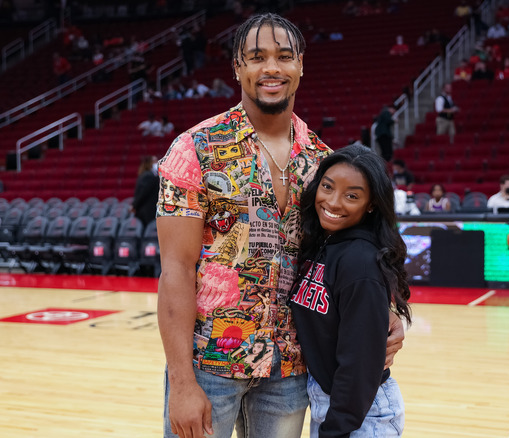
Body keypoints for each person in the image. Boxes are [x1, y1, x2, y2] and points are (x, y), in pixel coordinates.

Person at [156, 14, 405, 438]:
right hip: (210, 364)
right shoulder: (195, 149)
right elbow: (176, 269)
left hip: (289, 370)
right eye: (256, 57)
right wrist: (181, 382)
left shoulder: (322, 161)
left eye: (284, 56)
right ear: (237, 67)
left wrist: (387, 306)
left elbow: (351, 252)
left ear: (301, 64)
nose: (271, 68)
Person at [290, 145, 411, 437]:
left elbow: (360, 361)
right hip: (333, 402)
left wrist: (337, 427)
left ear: (371, 205)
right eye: (327, 187)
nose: (333, 202)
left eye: (352, 196)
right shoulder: (324, 244)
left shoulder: (360, 262)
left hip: (360, 414)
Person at [132, 156, 160, 227]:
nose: (157, 163)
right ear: (149, 163)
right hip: (146, 211)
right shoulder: (148, 176)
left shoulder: (150, 175)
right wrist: (134, 205)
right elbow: (142, 193)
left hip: (147, 210)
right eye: (154, 161)